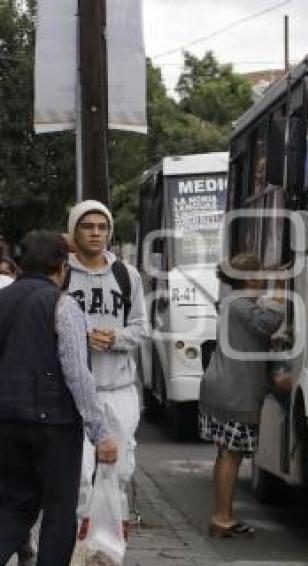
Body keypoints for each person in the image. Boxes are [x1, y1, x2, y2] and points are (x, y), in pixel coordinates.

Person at [0, 230, 118, 566]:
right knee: (59, 510)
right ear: (62, 267)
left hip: (6, 421)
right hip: (54, 424)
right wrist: (101, 433)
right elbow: (77, 374)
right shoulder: (63, 304)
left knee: (14, 505)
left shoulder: (3, 301)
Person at [65, 200, 148, 540]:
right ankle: (77, 544)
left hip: (119, 388)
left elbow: (142, 328)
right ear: (74, 230)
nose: (96, 233)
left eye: (102, 227)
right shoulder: (63, 273)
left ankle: (109, 544)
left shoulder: (126, 275)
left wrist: (115, 337)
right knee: (80, 474)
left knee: (120, 469)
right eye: (88, 226)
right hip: (73, 391)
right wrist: (78, 338)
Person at [199, 253, 288, 538]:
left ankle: (222, 515)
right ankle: (222, 518)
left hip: (223, 388)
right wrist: (282, 291)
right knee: (231, 455)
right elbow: (268, 323)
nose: (265, 277)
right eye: (261, 272)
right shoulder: (239, 305)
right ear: (250, 278)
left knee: (226, 453)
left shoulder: (233, 303)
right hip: (234, 391)